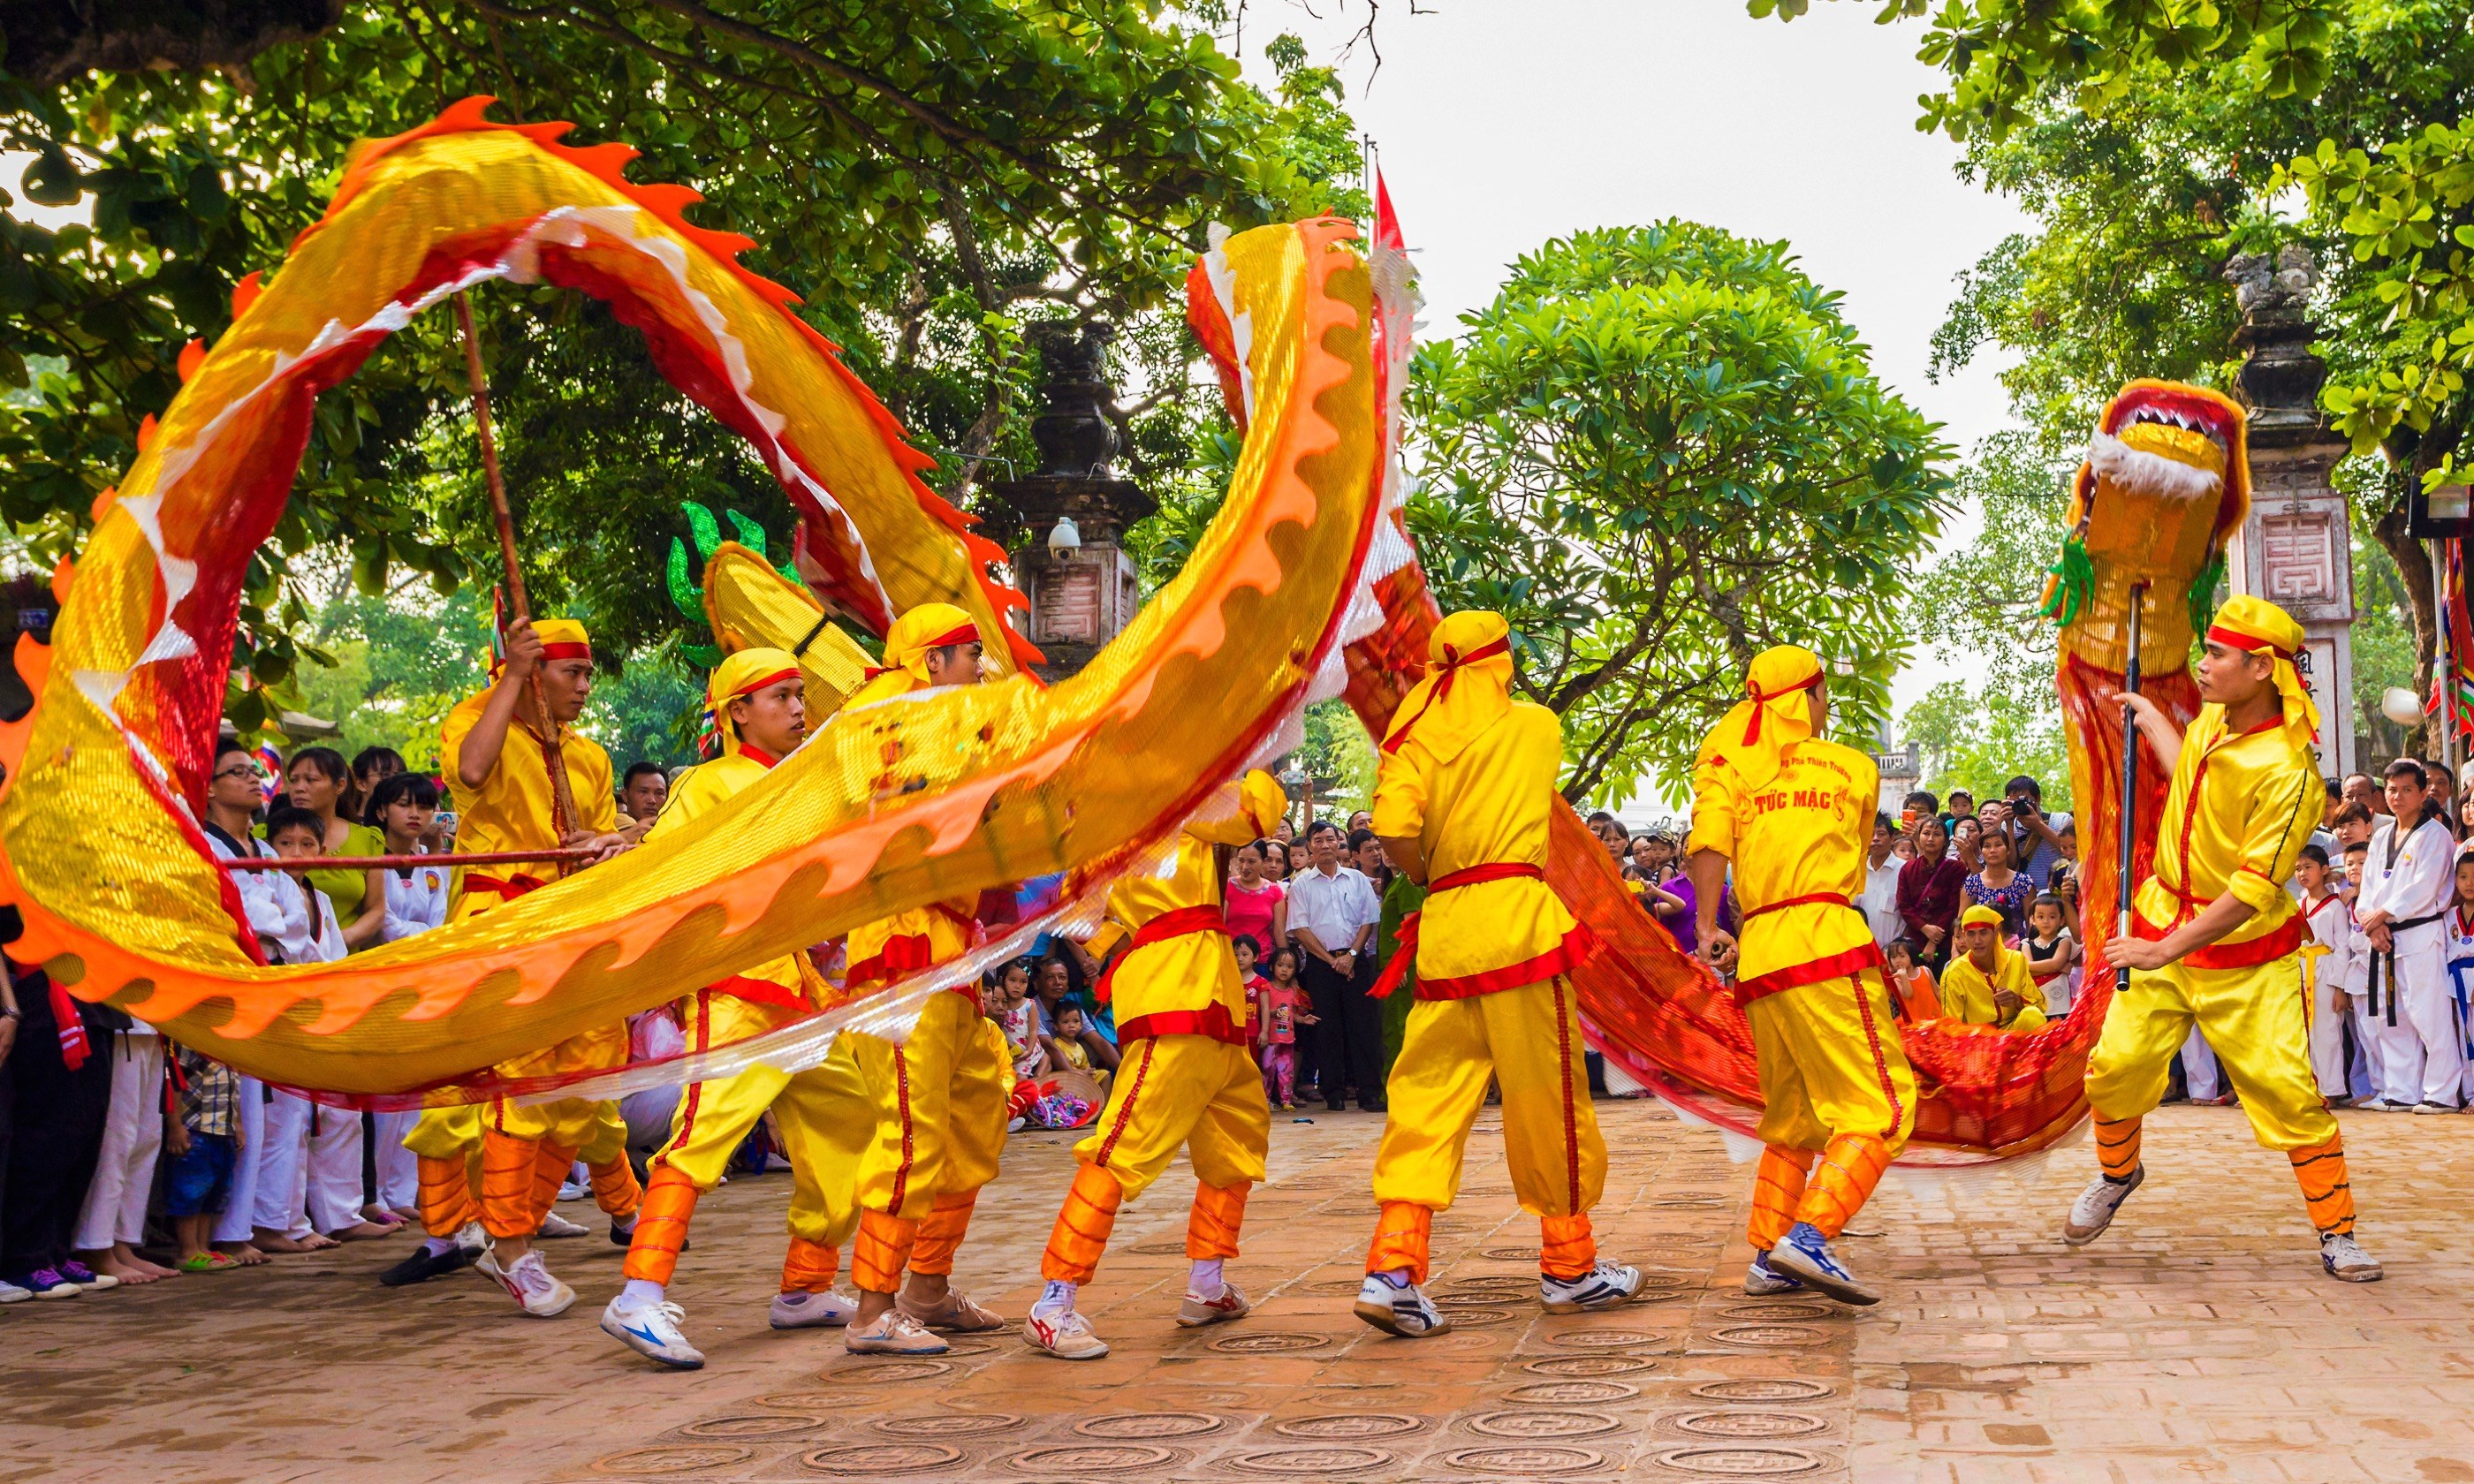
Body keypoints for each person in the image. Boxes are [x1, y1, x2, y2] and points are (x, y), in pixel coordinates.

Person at [2067, 595, 2379, 1282]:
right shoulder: (2214, 719)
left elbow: (2252, 892)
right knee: (2114, 1070)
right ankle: (2119, 1175)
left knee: (2287, 1091)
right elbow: (2196, 782)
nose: (2202, 666)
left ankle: (2338, 1232)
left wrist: (2158, 952)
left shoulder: (2291, 774)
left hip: (2243, 956)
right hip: (2163, 917)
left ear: (2262, 668)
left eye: (2216, 655)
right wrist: (2151, 719)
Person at [1358, 611, 1638, 1339]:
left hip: (1448, 931)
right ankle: (1570, 1269)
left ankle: (1392, 1272)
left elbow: (1392, 830)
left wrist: (1432, 874)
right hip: (1518, 927)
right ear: (1501, 659)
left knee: (1425, 1101)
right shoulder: (1536, 725)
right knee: (1549, 1099)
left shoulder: (1413, 736)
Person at [603, 647, 877, 1370]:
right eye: (780, 696)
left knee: (849, 1121)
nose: (797, 707)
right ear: (735, 715)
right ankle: (637, 1294)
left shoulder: (804, 783)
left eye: (799, 695)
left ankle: (804, 1287)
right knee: (704, 1134)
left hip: (800, 993)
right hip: (736, 986)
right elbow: (666, 864)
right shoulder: (709, 782)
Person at [387, 615, 637, 1308]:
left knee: (583, 1087)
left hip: (572, 933)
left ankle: (518, 1224)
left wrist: (616, 841)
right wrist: (514, 677)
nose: (586, 687)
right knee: (509, 1087)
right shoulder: (475, 720)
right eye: (573, 672)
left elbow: (601, 833)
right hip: (500, 928)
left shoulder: (588, 757)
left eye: (588, 673)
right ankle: (503, 1245)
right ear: (530, 672)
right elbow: (470, 772)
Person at [1024, 768, 1286, 1360]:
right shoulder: (1172, 794)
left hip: (1205, 992)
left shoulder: (1113, 816)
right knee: (1123, 1145)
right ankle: (1054, 1301)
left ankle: (1207, 1284)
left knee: (1237, 1141)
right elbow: (1255, 818)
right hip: (1181, 992)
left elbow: (1093, 921)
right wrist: (1258, 752)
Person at [1690, 643, 1912, 1308]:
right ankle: (1810, 1238)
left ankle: (1769, 1251)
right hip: (1823, 940)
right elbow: (1859, 844)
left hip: (1759, 952)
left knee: (1794, 1117)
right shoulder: (1853, 766)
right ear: (1808, 699)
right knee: (1882, 1107)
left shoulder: (1729, 760)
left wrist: (1706, 930)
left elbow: (1708, 841)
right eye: (1823, 695)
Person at [838, 603, 1011, 1354]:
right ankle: (872, 1312)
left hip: (952, 951)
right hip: (902, 951)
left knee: (978, 1112)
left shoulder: (947, 715)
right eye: (971, 653)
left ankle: (927, 1288)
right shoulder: (881, 716)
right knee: (910, 1133)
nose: (981, 667)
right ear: (932, 662)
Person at [254, 805, 370, 1250]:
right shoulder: (268, 886)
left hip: (323, 1011)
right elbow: (285, 943)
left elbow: (335, 956)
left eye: (307, 844)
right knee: (286, 1123)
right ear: (269, 846)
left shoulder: (319, 899)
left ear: (322, 850)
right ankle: (278, 1223)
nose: (296, 852)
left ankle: (335, 1215)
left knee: (336, 1117)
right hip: (281, 1012)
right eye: (285, 843)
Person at [2353, 759, 2458, 1113]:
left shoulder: (2437, 835)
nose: (2398, 797)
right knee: (2389, 1014)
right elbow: (2367, 888)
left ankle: (2441, 1092)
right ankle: (2400, 1090)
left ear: (2422, 792)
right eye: (2392, 790)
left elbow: (2423, 888)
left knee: (2428, 1014)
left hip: (2420, 933)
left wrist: (2380, 917)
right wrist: (2372, 922)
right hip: (2382, 937)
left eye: (2406, 790)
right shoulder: (2381, 835)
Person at [1287, 820, 1386, 1113]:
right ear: (1310, 847)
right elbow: (1300, 928)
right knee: (1327, 1029)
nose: (1325, 845)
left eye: (1330, 839)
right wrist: (1333, 961)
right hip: (1321, 964)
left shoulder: (1356, 879)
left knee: (1363, 1026)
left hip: (1356, 962)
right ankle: (1334, 1093)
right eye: (1318, 840)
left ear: (1338, 843)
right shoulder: (1301, 884)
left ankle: (1369, 1091)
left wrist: (1352, 955)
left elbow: (1369, 919)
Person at [282, 746, 388, 954]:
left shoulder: (367, 838)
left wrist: (335, 942)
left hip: (347, 963)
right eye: (294, 780)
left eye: (311, 780)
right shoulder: (265, 837)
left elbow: (376, 910)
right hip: (286, 962)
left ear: (339, 786)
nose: (299, 788)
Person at [165, 1042, 244, 1273]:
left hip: (222, 1130)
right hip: (196, 1128)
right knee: (190, 1190)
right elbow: (175, 1082)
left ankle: (202, 1247)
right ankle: (187, 1250)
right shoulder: (192, 1041)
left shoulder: (231, 1045)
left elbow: (234, 1088)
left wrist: (238, 1124)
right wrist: (175, 1124)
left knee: (213, 1192)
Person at [2296, 844, 2355, 1103]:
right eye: (2298, 868)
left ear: (2323, 870)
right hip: (2300, 971)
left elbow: (2343, 947)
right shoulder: (2298, 904)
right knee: (2305, 1032)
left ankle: (2330, 1090)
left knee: (2328, 1032)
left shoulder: (2334, 907)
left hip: (2326, 971)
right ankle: (2310, 1087)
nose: (2302, 873)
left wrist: (2340, 987)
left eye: (2308, 867)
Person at [1938, 905, 2049, 1033]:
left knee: (2033, 1016)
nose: (1977, 941)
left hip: (2013, 1034)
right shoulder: (1954, 973)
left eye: (1983, 932)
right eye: (1971, 934)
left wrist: (2017, 1001)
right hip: (1977, 1041)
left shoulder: (2015, 960)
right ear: (1964, 935)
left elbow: (2039, 1006)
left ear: (1996, 933)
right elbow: (1952, 1028)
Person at [1897, 816, 1964, 973]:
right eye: (1926, 833)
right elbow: (1903, 905)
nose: (1931, 838)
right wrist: (1924, 928)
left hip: (1945, 939)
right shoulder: (1908, 869)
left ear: (1946, 841)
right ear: (1919, 837)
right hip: (1914, 939)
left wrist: (1934, 939)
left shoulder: (1956, 868)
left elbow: (1954, 905)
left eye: (1937, 834)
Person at [1257, 945, 1315, 1110]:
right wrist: (1274, 1012)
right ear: (1271, 967)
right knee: (1267, 1069)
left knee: (1286, 1071)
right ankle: (1265, 1100)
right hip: (1271, 1039)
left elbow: (1292, 1014)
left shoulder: (1292, 992)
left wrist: (1303, 1020)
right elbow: (1262, 1011)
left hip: (1287, 1040)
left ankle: (1286, 1100)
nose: (1284, 970)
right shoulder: (1266, 988)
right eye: (1281, 965)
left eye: (1290, 967)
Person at [1223, 842, 1287, 973]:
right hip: (1230, 960)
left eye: (1251, 862)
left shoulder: (1275, 891)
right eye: (1241, 861)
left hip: (1262, 962)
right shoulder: (1227, 887)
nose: (1245, 866)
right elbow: (1220, 926)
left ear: (1263, 862)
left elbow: (1279, 933)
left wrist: (1286, 962)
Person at [2000, 776, 2072, 890]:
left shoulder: (2062, 820)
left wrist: (2039, 826)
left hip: (2059, 892)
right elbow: (2010, 865)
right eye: (2015, 802)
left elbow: (2073, 852)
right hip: (2026, 895)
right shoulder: (2007, 826)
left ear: (2038, 799)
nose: (2021, 805)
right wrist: (2009, 825)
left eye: (2024, 800)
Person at [1962, 826, 2033, 940]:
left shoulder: (2023, 882)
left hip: (2015, 948)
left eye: (1998, 845)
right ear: (1982, 851)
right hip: (1981, 947)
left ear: (2008, 849)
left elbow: (2032, 923)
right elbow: (1961, 922)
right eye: (1987, 846)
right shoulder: (1972, 883)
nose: (1993, 850)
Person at [2023, 894, 2079, 1017]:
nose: (2046, 921)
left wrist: (2055, 966)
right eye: (2041, 916)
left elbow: (2055, 963)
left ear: (2062, 920)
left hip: (2060, 1004)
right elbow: (2025, 968)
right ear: (2033, 920)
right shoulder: (2026, 945)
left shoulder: (2064, 942)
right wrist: (2057, 969)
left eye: (2052, 917)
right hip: (2035, 1003)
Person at [1858, 813, 1904, 948]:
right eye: (1871, 834)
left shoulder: (1904, 869)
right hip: (1862, 951)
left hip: (1894, 954)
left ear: (1892, 838)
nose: (1875, 839)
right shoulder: (1857, 871)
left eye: (1881, 834)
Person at [1881, 938, 1942, 1025]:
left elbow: (1938, 991)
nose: (1897, 960)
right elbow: (1908, 994)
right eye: (1893, 957)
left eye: (1902, 956)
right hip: (1914, 1024)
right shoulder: (1896, 980)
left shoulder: (1925, 970)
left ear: (1912, 955)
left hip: (1935, 1018)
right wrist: (1903, 976)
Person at [347, 745, 407, 824]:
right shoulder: (346, 829)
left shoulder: (409, 826)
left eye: (400, 776)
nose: (395, 782)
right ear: (361, 784)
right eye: (386, 775)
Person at [618, 760, 670, 824]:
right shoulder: (608, 830)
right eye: (643, 792)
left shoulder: (677, 831)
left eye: (659, 793)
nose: (652, 800)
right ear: (625, 795)